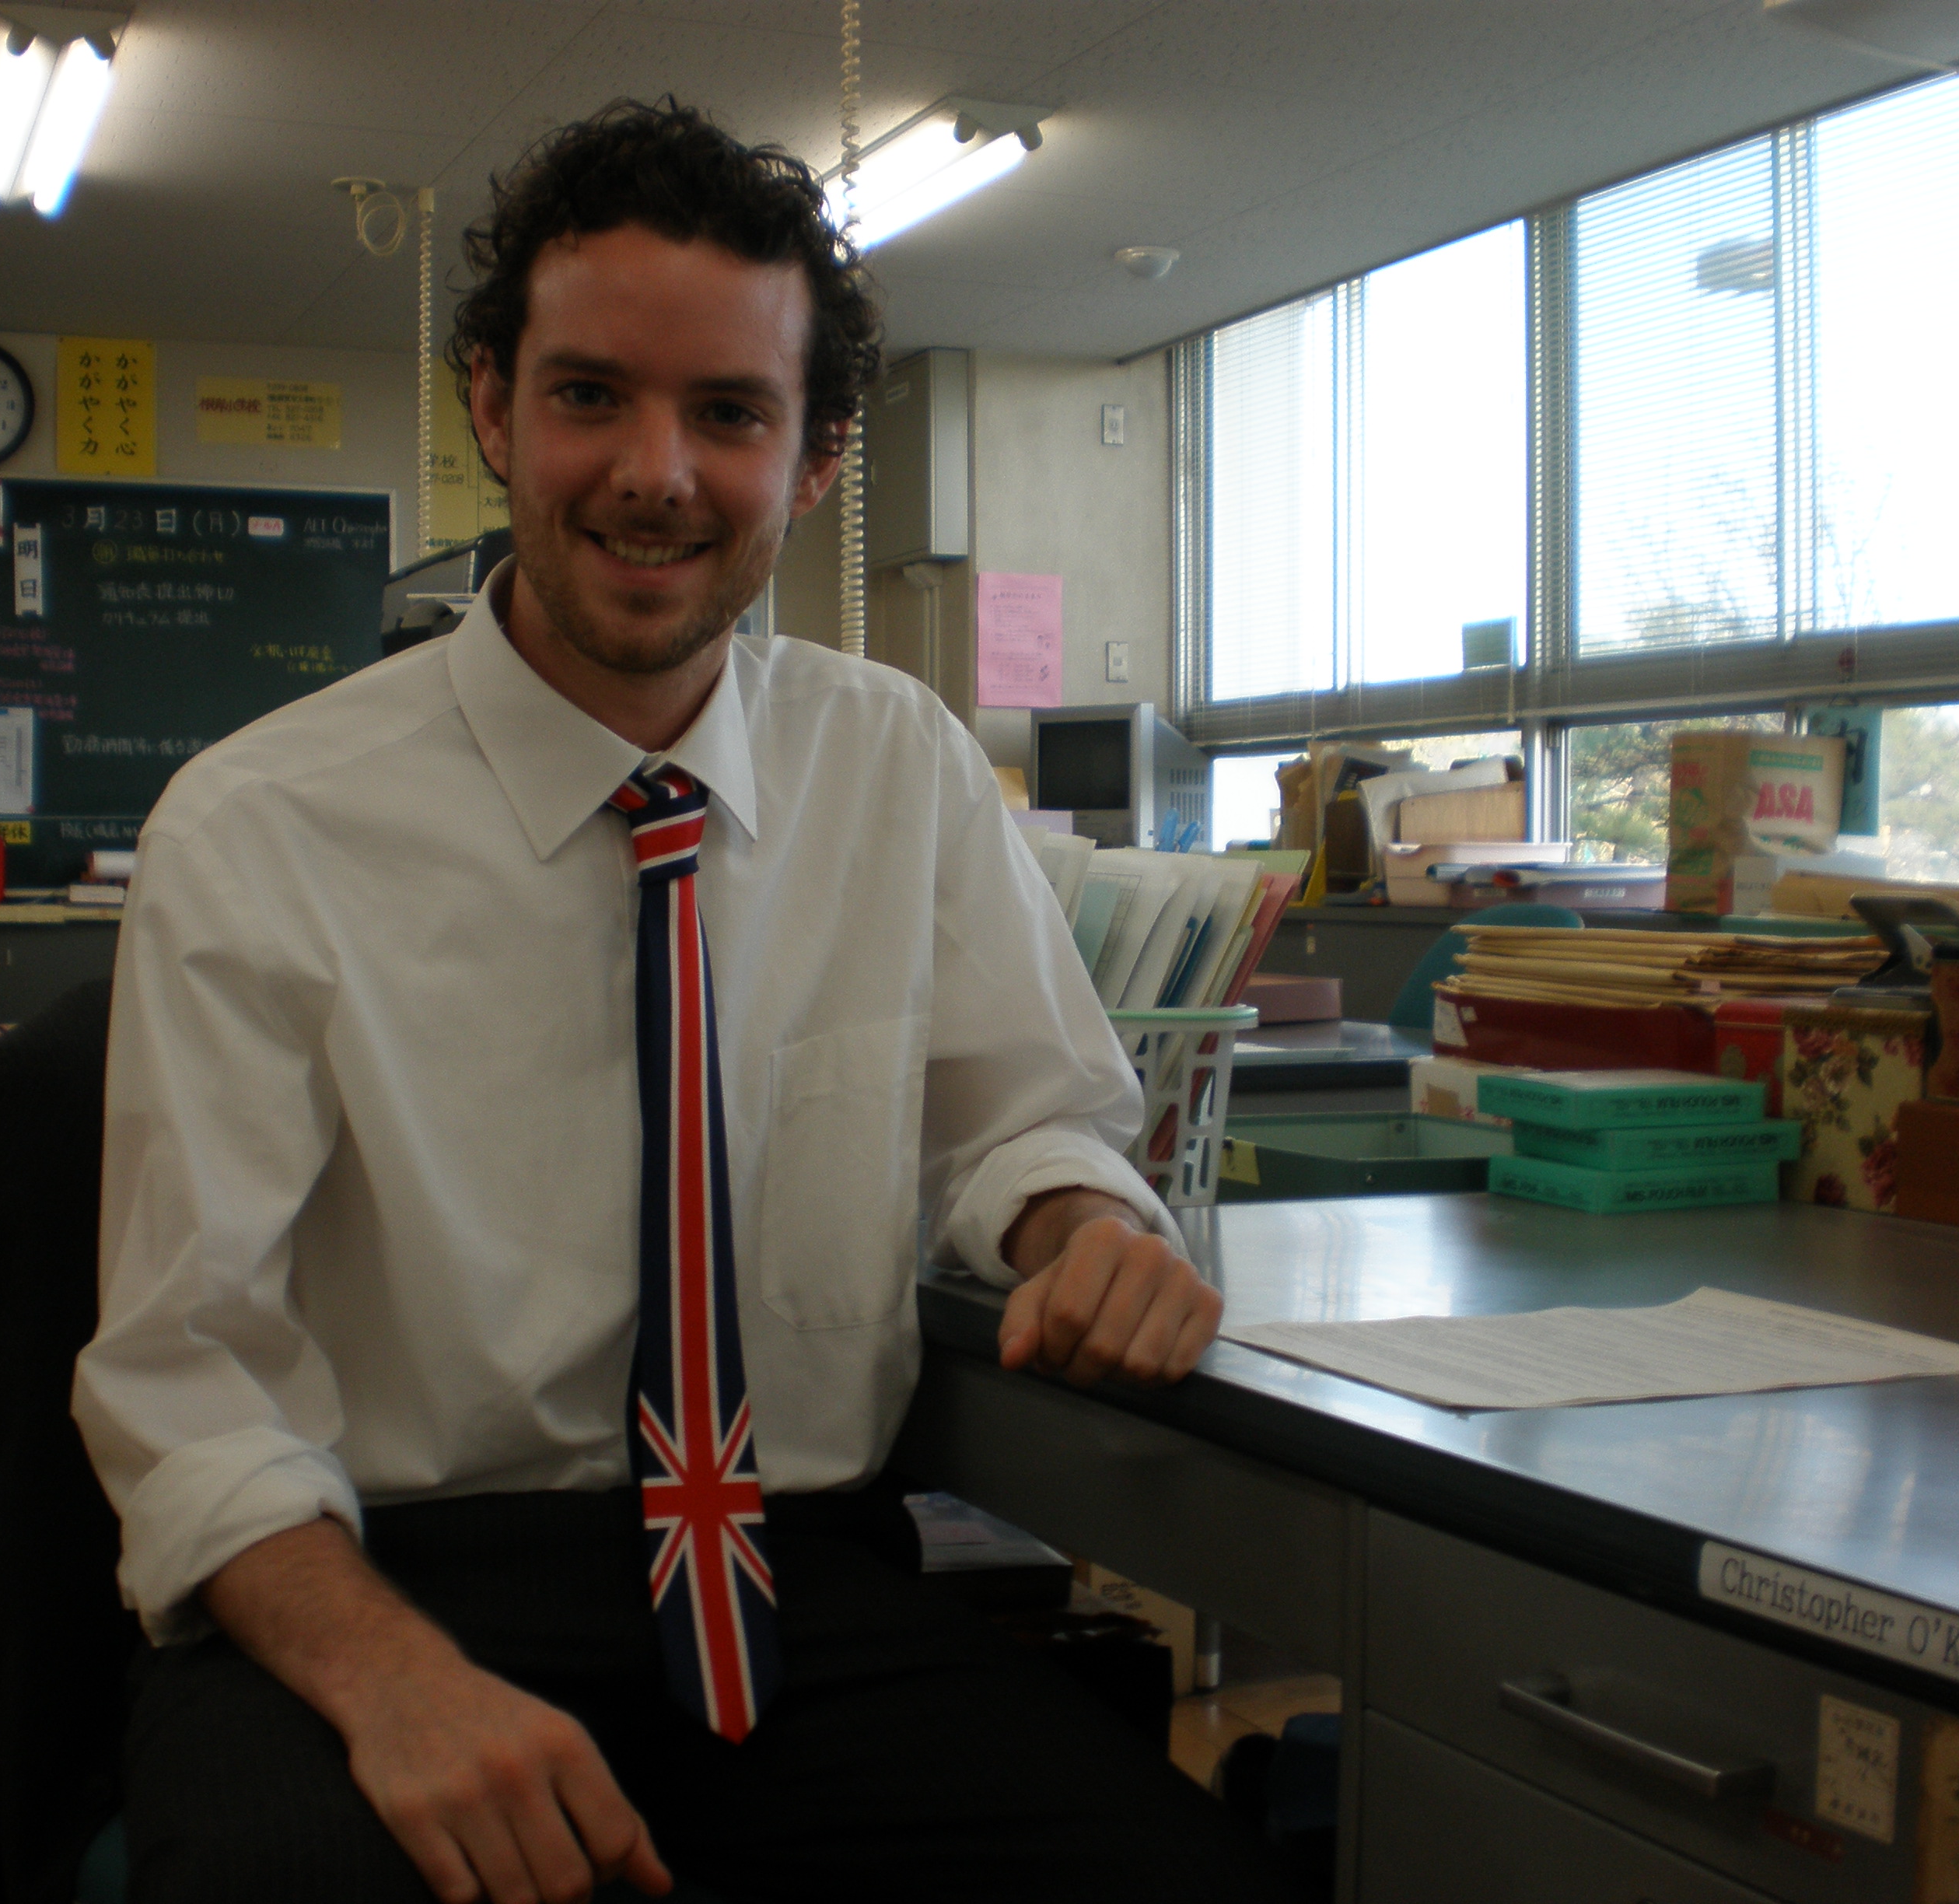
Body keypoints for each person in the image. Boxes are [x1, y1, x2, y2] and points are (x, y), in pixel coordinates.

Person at [75, 100, 1290, 1904]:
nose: (656, 473)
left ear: (813, 459)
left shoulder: (895, 763)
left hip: (799, 1578)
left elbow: (1016, 1115)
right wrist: (395, 1678)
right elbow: (191, 1374)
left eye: (729, 412)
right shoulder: (260, 824)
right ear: (493, 408)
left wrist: (1080, 1222)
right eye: (590, 395)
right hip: (393, 1574)